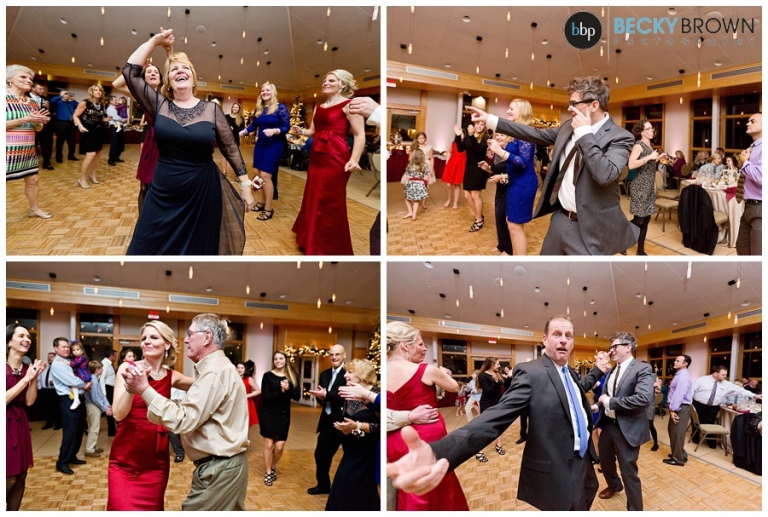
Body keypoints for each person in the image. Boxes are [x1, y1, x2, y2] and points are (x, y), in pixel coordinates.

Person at [387, 315, 608, 511]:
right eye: (557, 334)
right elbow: (496, 417)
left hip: (584, 462)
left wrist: (597, 374)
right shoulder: (532, 372)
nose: (563, 340)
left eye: (568, 336)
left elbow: (576, 393)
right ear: (545, 339)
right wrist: (438, 452)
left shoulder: (570, 372)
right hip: (560, 469)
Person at [468, 77, 637, 255]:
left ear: (594, 105)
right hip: (561, 219)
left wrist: (585, 133)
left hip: (592, 228)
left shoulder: (620, 137)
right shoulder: (567, 127)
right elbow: (532, 132)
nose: (569, 108)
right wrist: (490, 119)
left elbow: (605, 174)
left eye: (573, 103)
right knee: (546, 270)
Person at [123, 28, 254, 255]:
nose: (180, 71)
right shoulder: (159, 106)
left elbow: (230, 148)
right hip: (163, 191)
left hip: (202, 192)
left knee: (198, 250)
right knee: (145, 246)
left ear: (193, 79)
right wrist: (155, 41)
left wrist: (245, 185)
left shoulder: (212, 110)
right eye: (174, 69)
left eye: (185, 68)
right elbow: (129, 72)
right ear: (168, 81)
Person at [121, 314, 249, 511]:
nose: (186, 340)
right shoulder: (219, 368)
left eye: (190, 334)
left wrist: (144, 389)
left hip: (220, 469)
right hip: (226, 466)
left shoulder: (213, 372)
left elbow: (183, 420)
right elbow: (201, 408)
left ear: (207, 337)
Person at [108, 321, 194, 510]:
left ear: (167, 344)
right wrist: (131, 389)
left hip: (155, 460)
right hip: (125, 456)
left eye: (153, 337)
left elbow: (205, 385)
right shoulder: (127, 368)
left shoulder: (172, 376)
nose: (146, 341)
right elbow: (118, 415)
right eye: (144, 338)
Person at [386, 322, 469, 511]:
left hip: (394, 439)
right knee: (438, 485)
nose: (424, 348)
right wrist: (443, 374)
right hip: (426, 438)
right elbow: (453, 387)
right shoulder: (425, 370)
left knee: (409, 486)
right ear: (405, 346)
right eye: (420, 344)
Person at [290, 69, 365, 255]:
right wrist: (301, 131)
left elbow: (359, 135)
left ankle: (328, 245)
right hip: (317, 156)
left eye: (331, 80)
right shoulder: (319, 108)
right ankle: (310, 239)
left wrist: (354, 159)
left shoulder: (350, 105)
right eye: (325, 80)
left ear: (343, 85)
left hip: (336, 157)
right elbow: (313, 131)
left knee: (329, 199)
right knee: (313, 194)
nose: (326, 83)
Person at [596, 332, 654, 511]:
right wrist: (598, 406)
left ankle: (635, 509)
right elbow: (607, 396)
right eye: (610, 347)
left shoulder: (642, 369)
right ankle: (614, 485)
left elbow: (643, 398)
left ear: (628, 347)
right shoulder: (613, 370)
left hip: (628, 428)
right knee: (605, 461)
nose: (611, 351)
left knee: (628, 471)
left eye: (615, 346)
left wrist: (610, 402)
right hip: (608, 424)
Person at [113, 59, 169, 214]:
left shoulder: (167, 94)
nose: (153, 73)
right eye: (149, 72)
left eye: (156, 72)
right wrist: (137, 68)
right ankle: (143, 221)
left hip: (167, 142)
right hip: (151, 141)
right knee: (144, 185)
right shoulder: (141, 94)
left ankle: (161, 219)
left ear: (161, 78)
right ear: (144, 78)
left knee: (163, 186)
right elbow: (117, 84)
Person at [325, 359, 380, 511]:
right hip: (352, 449)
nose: (345, 375)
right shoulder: (350, 394)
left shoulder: (376, 395)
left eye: (350, 372)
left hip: (370, 453)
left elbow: (382, 427)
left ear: (362, 375)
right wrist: (346, 429)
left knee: (361, 493)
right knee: (341, 488)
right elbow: (349, 419)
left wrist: (357, 426)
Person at [487, 99, 538, 254]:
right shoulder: (517, 132)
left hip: (523, 184)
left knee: (515, 226)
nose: (508, 111)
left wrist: (500, 151)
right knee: (511, 224)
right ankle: (514, 257)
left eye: (511, 109)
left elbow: (522, 162)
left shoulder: (525, 133)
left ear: (521, 111)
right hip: (515, 182)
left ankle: (519, 262)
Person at [6, 324, 46, 511]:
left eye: (29, 336)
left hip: (20, 422)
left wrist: (34, 376)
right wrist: (26, 379)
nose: (27, 339)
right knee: (8, 477)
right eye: (21, 335)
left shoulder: (28, 368)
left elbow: (29, 401)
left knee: (21, 476)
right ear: (9, 341)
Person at [6, 64, 52, 219]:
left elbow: (37, 129)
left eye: (30, 78)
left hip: (27, 149)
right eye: (23, 77)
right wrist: (25, 119)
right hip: (6, 151)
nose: (28, 81)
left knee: (33, 179)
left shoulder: (32, 102)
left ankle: (34, 209)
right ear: (9, 79)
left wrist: (38, 122)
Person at [239, 84, 289, 221]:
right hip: (261, 144)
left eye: (268, 90)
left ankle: (268, 208)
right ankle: (261, 202)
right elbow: (254, 125)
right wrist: (245, 131)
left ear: (273, 92)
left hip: (275, 144)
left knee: (266, 175)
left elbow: (286, 127)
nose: (265, 92)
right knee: (257, 173)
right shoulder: (259, 108)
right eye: (262, 90)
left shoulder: (280, 107)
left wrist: (275, 131)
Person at [307, 344, 347, 495]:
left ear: (344, 355)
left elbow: (344, 397)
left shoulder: (348, 374)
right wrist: (321, 397)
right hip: (328, 420)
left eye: (337, 354)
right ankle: (323, 485)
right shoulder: (324, 374)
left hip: (345, 421)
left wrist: (327, 395)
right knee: (320, 454)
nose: (334, 357)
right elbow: (322, 398)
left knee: (349, 455)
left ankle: (348, 490)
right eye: (332, 354)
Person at [691, 365, 762, 447]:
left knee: (710, 423)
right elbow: (691, 390)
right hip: (699, 404)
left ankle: (710, 440)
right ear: (715, 373)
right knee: (696, 421)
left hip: (713, 407)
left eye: (726, 374)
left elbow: (740, 390)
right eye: (723, 374)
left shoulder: (726, 384)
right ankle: (695, 437)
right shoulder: (701, 380)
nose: (725, 376)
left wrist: (754, 395)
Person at [258, 350, 301, 486]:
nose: (278, 361)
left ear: (285, 360)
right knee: (268, 445)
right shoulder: (267, 376)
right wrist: (281, 391)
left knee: (279, 447)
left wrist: (288, 389)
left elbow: (297, 396)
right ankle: (268, 472)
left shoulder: (292, 376)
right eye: (275, 359)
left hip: (283, 415)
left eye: (281, 358)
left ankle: (272, 466)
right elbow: (266, 397)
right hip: (267, 413)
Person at [49, 337, 90, 475]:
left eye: (68, 347)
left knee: (78, 430)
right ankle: (62, 462)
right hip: (68, 400)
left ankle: (72, 456)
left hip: (78, 398)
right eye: (63, 347)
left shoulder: (68, 361)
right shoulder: (57, 364)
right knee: (70, 432)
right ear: (55, 349)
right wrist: (86, 383)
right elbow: (73, 381)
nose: (67, 349)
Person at [627, 119, 666, 255]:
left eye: (652, 128)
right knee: (639, 220)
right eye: (648, 129)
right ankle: (621, 238)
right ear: (641, 132)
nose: (652, 130)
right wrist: (650, 157)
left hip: (649, 186)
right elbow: (631, 164)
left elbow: (648, 163)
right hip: (640, 186)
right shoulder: (638, 145)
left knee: (646, 219)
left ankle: (640, 250)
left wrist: (658, 158)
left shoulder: (649, 145)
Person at [480, 132, 513, 254]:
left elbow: (518, 173)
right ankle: (501, 245)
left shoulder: (511, 153)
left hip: (510, 188)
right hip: (500, 189)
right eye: (497, 135)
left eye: (502, 135)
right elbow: (496, 169)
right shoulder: (497, 151)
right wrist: (487, 168)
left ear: (509, 137)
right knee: (498, 217)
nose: (498, 137)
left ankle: (509, 250)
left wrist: (501, 177)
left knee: (502, 217)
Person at [455, 121, 490, 232]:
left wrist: (470, 136)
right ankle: (478, 216)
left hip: (480, 168)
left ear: (484, 127)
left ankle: (478, 220)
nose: (479, 126)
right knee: (467, 196)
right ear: (474, 125)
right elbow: (460, 149)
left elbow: (477, 150)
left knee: (475, 195)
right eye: (478, 124)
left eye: (482, 124)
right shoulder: (469, 136)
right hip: (469, 168)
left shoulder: (485, 138)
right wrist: (458, 136)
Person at [72, 84, 108, 188]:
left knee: (98, 154)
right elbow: (75, 115)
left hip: (99, 131)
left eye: (100, 90)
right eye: (96, 90)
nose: (98, 92)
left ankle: (93, 175)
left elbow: (99, 118)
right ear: (91, 92)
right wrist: (80, 126)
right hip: (88, 130)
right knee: (90, 155)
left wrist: (106, 119)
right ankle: (82, 179)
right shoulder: (85, 103)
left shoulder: (101, 104)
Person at [736, 112, 761, 255]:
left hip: (761, 208)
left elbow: (762, 177)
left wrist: (744, 162)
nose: (747, 124)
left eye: (752, 121)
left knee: (758, 256)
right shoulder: (753, 146)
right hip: (749, 206)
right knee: (742, 250)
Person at [663, 355, 693, 467]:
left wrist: (672, 410)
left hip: (680, 408)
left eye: (678, 361)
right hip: (679, 407)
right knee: (674, 432)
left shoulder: (683, 377)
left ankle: (678, 459)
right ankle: (680, 454)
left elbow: (679, 395)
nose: (675, 362)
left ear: (685, 364)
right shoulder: (680, 374)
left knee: (677, 434)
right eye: (675, 360)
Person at [477, 357, 505, 461]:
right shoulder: (483, 375)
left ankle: (499, 445)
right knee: (485, 428)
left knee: (500, 425)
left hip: (498, 403)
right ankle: (479, 451)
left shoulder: (497, 374)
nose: (499, 366)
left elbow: (503, 386)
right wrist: (495, 381)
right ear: (491, 364)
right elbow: (488, 392)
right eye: (498, 364)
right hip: (487, 404)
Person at [84, 360, 112, 458]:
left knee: (93, 426)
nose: (102, 370)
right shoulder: (93, 381)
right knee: (94, 428)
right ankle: (89, 449)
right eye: (101, 368)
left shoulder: (94, 379)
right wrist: (105, 408)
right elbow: (95, 398)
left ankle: (94, 446)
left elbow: (101, 395)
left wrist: (107, 405)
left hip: (93, 405)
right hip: (93, 406)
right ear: (97, 369)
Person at [29, 81, 55, 171]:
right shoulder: (25, 97)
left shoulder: (45, 99)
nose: (42, 91)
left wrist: (48, 107)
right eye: (40, 89)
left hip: (45, 127)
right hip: (30, 126)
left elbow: (52, 111)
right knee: (31, 145)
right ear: (33, 89)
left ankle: (46, 163)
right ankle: (29, 164)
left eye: (43, 89)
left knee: (47, 145)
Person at [49, 90, 78, 163]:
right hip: (61, 123)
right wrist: (60, 96)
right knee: (60, 141)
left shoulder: (71, 102)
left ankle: (71, 155)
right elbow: (52, 101)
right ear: (62, 95)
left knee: (72, 141)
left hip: (71, 123)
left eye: (68, 94)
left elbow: (78, 106)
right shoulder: (59, 102)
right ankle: (59, 157)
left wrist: (74, 100)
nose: (67, 95)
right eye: (65, 94)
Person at [402, 149, 430, 221]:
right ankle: (414, 214)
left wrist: (412, 179)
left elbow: (407, 177)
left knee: (406, 198)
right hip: (420, 184)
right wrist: (426, 185)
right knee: (416, 200)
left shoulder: (410, 165)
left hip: (411, 184)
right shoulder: (425, 166)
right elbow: (426, 177)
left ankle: (410, 212)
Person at [409, 132, 434, 210]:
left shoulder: (429, 147)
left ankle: (424, 203)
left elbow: (432, 158)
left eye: (422, 138)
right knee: (416, 184)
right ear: (417, 139)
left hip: (426, 165)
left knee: (425, 185)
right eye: (419, 138)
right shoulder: (414, 147)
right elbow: (410, 159)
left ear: (425, 138)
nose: (421, 140)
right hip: (416, 166)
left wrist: (431, 169)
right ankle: (415, 201)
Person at [37, 351, 61, 430]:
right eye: (48, 357)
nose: (49, 358)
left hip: (54, 391)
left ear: (55, 358)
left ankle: (58, 424)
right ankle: (48, 423)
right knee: (46, 408)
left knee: (56, 408)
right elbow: (39, 378)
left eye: (51, 357)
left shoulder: (58, 368)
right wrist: (39, 389)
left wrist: (55, 383)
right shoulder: (44, 367)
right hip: (44, 391)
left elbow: (61, 380)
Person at [440, 139, 466, 209]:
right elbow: (449, 152)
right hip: (452, 163)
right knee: (448, 184)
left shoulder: (466, 143)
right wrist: (447, 162)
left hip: (461, 164)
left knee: (457, 184)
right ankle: (449, 199)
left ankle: (455, 202)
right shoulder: (453, 143)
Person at [236, 360, 261, 428]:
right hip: (235, 402)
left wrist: (246, 396)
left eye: (242, 368)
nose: (240, 369)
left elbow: (258, 391)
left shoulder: (249, 379)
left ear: (245, 369)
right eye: (238, 368)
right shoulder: (233, 379)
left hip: (246, 403)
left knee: (244, 424)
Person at [223, 103, 246, 176]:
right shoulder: (226, 116)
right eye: (234, 107)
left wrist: (233, 129)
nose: (235, 108)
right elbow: (222, 126)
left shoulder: (241, 119)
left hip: (235, 139)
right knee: (224, 155)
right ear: (232, 108)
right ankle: (224, 172)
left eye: (237, 107)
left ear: (239, 109)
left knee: (236, 157)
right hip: (226, 139)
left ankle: (238, 174)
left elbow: (241, 130)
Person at [68, 342, 91, 410]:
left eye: (77, 350)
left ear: (82, 350)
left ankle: (76, 400)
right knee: (76, 386)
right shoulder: (77, 358)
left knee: (74, 384)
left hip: (83, 375)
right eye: (74, 350)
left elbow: (74, 364)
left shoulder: (82, 357)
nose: (75, 352)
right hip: (80, 375)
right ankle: (77, 399)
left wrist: (67, 362)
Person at [106, 95, 127, 166]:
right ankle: (111, 159)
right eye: (115, 100)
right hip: (114, 127)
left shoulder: (117, 108)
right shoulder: (109, 109)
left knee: (120, 143)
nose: (116, 101)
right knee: (114, 143)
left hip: (120, 126)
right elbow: (114, 117)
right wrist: (122, 119)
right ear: (111, 101)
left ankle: (116, 157)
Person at [100, 348, 117, 436]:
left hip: (110, 388)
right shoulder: (105, 364)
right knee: (109, 408)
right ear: (111, 356)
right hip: (107, 388)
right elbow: (102, 379)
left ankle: (112, 429)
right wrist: (104, 393)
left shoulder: (109, 363)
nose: (115, 358)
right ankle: (111, 430)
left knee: (111, 408)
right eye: (115, 356)